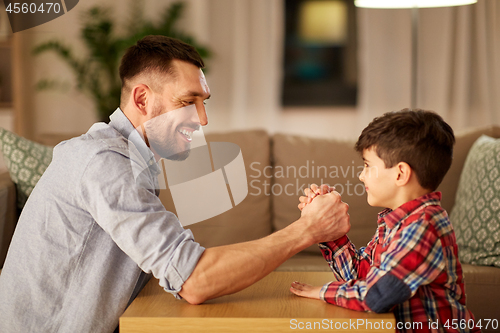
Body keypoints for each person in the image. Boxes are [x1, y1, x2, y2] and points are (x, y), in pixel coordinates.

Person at [0, 35, 350, 333]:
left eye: (203, 102)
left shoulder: (130, 158)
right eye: (187, 102)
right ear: (141, 99)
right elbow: (194, 279)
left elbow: (178, 265)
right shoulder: (105, 163)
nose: (202, 119)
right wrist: (307, 230)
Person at [291, 109, 479, 332]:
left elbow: (377, 295)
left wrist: (322, 292)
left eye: (368, 165)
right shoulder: (397, 221)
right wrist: (328, 232)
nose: (361, 175)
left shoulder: (423, 227)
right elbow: (362, 277)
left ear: (400, 173)